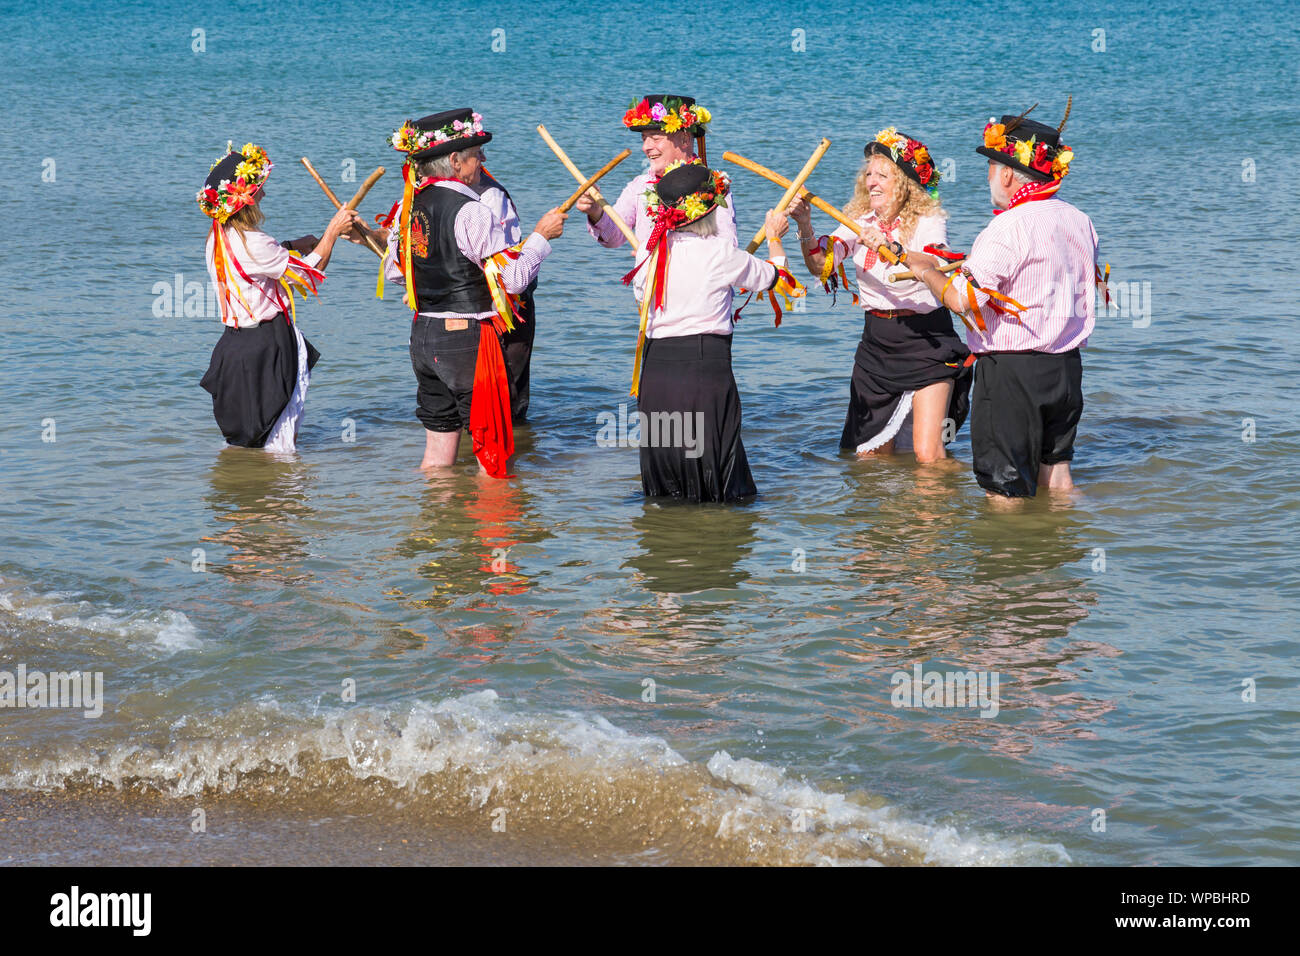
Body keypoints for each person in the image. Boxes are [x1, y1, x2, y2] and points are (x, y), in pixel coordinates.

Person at [905, 100, 1101, 499]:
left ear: (1009, 173)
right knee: (1059, 480)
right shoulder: (1079, 219)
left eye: (991, 169)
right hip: (1066, 368)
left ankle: (1007, 561)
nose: (989, 179)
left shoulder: (1006, 226)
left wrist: (923, 267)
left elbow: (963, 301)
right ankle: (1064, 555)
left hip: (1012, 372)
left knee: (1003, 490)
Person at [372, 109, 565, 476]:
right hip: (468, 341)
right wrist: (541, 237)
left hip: (423, 337)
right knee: (493, 457)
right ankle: (493, 531)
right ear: (456, 161)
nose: (483, 160)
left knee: (436, 456)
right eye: (477, 152)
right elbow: (513, 281)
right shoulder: (472, 211)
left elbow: (397, 274)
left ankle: (433, 527)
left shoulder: (406, 210)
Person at [784, 128, 971, 463]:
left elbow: (936, 262)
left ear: (904, 183)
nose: (871, 181)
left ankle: (941, 514)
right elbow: (820, 266)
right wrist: (805, 226)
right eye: (868, 173)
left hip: (927, 341)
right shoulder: (858, 220)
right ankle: (884, 517)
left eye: (882, 175)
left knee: (928, 454)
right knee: (869, 458)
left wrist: (892, 248)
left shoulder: (928, 219)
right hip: (876, 346)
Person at [625, 161, 797, 501]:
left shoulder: (651, 255)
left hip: (656, 370)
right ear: (711, 211)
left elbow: (641, 301)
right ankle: (714, 535)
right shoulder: (721, 253)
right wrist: (775, 237)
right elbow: (780, 279)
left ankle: (667, 536)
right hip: (704, 368)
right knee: (714, 465)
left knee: (667, 461)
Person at [197, 142, 361, 452]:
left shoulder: (216, 237)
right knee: (281, 439)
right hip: (268, 346)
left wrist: (293, 244)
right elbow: (311, 272)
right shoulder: (256, 242)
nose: (264, 195)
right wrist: (333, 231)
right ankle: (284, 497)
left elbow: (258, 261)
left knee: (249, 439)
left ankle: (254, 494)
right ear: (245, 202)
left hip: (233, 347)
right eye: (259, 190)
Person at [575, 95, 736, 303]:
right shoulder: (640, 186)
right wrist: (595, 211)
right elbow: (614, 237)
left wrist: (665, 257)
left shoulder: (713, 187)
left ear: (685, 139)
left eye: (656, 138)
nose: (646, 147)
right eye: (644, 138)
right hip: (651, 310)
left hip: (703, 307)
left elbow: (726, 250)